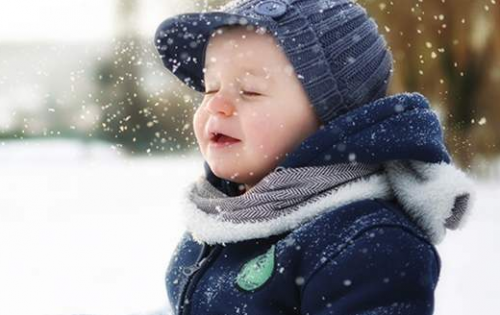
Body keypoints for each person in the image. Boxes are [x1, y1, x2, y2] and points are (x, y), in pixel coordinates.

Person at [153, 0, 476, 314]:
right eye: (210, 89)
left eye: (250, 90)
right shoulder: (223, 213)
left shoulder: (366, 244)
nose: (215, 105)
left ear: (331, 120)